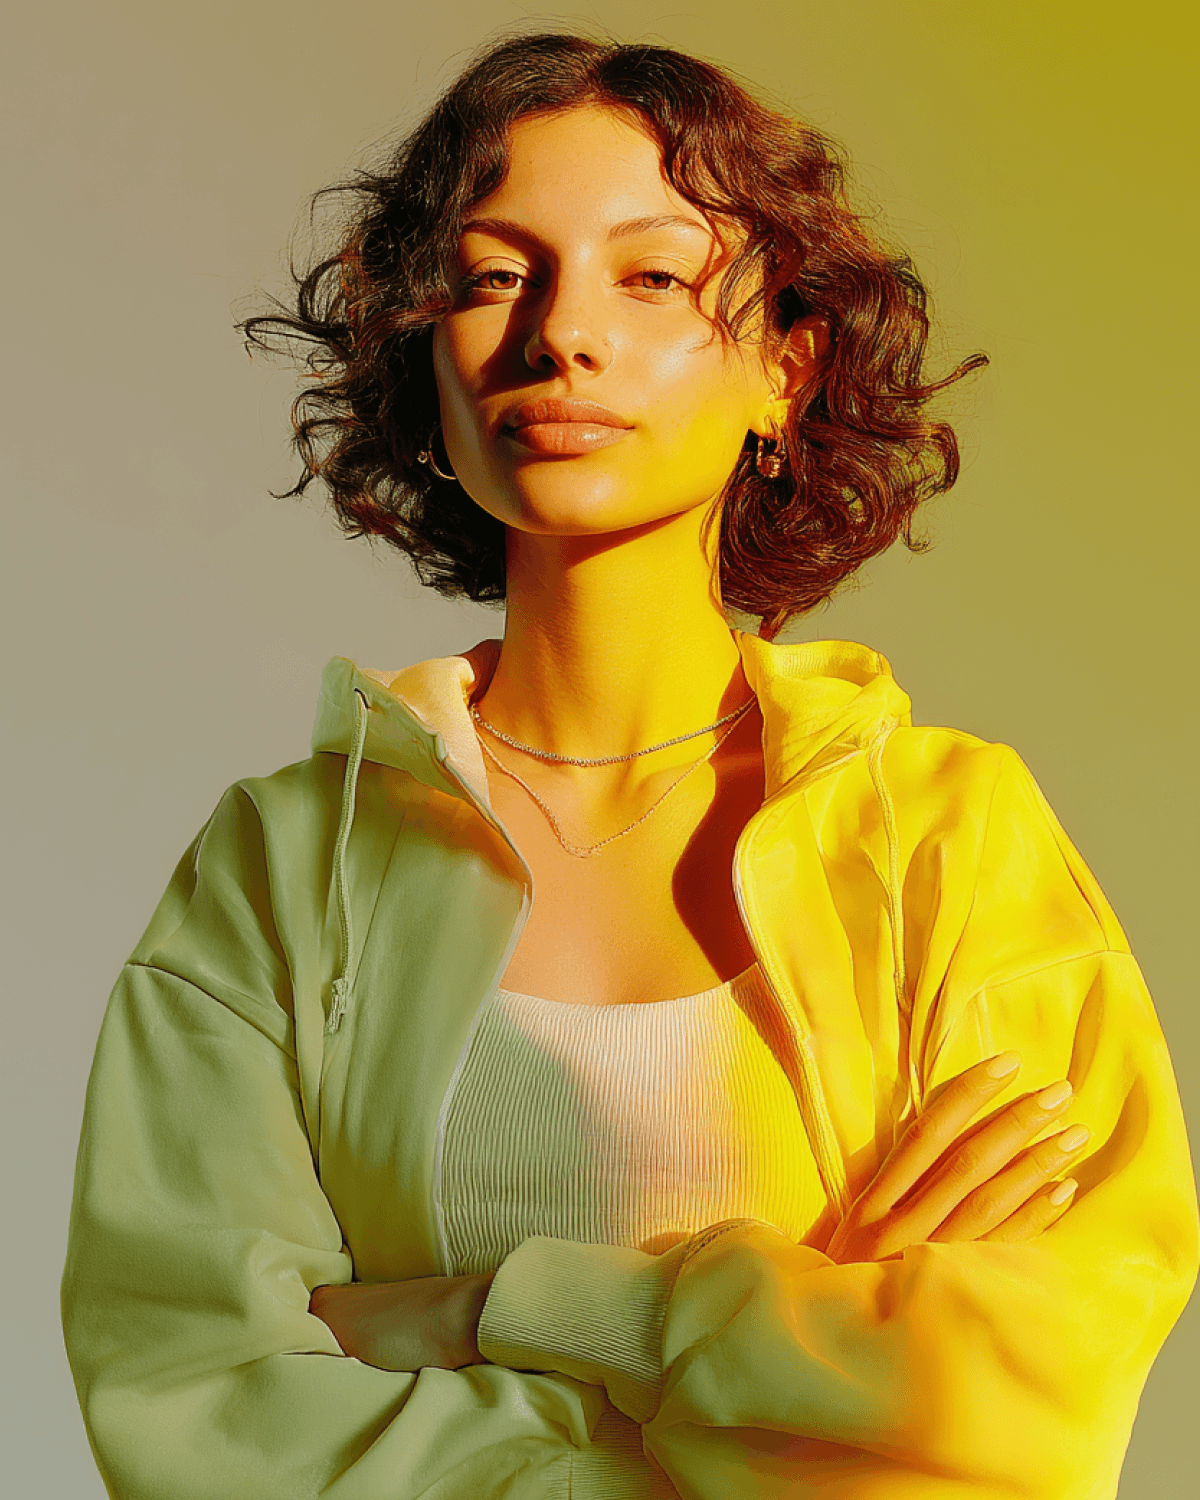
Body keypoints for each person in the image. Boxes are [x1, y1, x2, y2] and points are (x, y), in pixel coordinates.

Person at [61, 28, 1198, 1500]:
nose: (561, 334)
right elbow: (198, 1416)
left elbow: (1028, 1415)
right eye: (491, 276)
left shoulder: (950, 842)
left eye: (651, 275)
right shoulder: (287, 864)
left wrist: (513, 1313)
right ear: (428, 359)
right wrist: (808, 1347)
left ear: (783, 369)